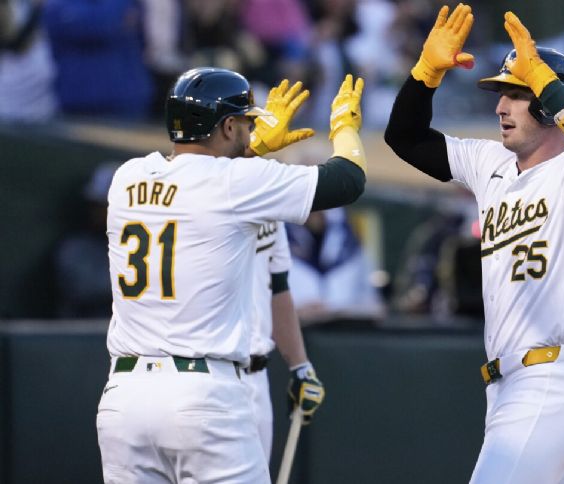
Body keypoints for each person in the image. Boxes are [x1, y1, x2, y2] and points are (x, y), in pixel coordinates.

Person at [385, 5, 564, 483]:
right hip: (507, 388)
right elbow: (405, 137)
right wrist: (424, 75)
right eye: (502, 95)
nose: (500, 108)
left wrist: (550, 86)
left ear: (545, 103)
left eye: (516, 95)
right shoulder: (489, 162)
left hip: (550, 381)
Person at [96, 67, 366, 483]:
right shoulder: (235, 183)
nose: (250, 130)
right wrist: (344, 128)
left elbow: (198, 183)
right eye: (244, 122)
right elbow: (348, 180)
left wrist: (248, 150)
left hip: (124, 399)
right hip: (203, 397)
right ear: (225, 125)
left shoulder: (127, 177)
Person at [244, 218, 323, 463]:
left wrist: (301, 367)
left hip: (253, 374)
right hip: (206, 368)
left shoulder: (269, 200)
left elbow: (277, 287)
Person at [286, 208, 384, 323]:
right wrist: (294, 312)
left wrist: (337, 312)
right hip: (290, 331)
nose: (316, 212)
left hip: (343, 334)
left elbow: (374, 306)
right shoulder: (278, 239)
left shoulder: (351, 244)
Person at [53, 162, 119, 318]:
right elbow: (85, 289)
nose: (99, 213)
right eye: (99, 206)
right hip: (86, 334)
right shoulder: (76, 248)